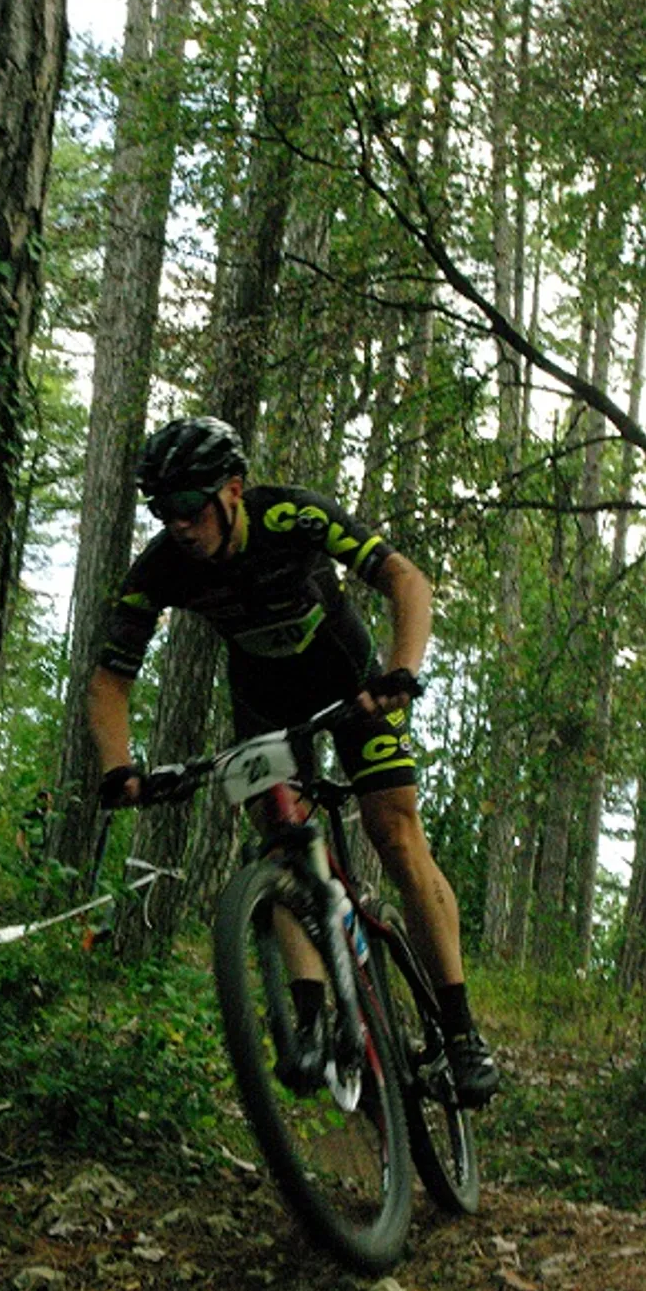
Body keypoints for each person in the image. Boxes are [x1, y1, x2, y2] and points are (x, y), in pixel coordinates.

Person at [87, 416, 499, 1109]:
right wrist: (118, 766)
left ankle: (460, 1034)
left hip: (353, 687)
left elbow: (405, 578)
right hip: (263, 707)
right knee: (282, 849)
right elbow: (110, 678)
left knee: (394, 835)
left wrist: (401, 670)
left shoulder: (292, 515)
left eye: (191, 507)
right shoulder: (161, 567)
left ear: (233, 492)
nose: (180, 525)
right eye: (164, 511)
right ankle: (308, 1021)